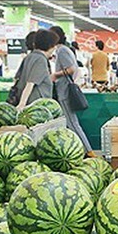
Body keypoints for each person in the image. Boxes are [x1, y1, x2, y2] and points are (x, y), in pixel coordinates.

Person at [49, 26, 95, 157]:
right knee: (71, 122)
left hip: (65, 91)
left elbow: (71, 69)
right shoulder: (65, 50)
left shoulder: (62, 51)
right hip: (66, 90)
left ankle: (88, 151)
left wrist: (55, 75)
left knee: (72, 123)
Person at [15, 30, 58, 108]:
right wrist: (22, 104)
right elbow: (30, 83)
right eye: (54, 45)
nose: (55, 47)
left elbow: (17, 78)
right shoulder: (40, 60)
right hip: (37, 105)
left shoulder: (29, 57)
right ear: (49, 45)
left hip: (30, 104)